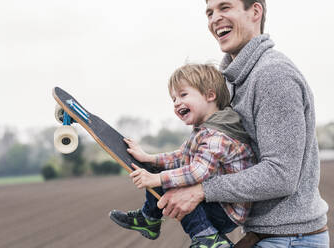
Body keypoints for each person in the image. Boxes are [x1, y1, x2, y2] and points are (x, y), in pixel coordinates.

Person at [156, 1, 330, 247]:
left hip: (290, 239)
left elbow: (281, 174)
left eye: (224, 7)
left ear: (255, 12)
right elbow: (218, 150)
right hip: (264, 235)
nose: (214, 18)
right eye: (209, 12)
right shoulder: (231, 81)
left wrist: (201, 191)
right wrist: (156, 164)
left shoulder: (273, 76)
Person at [109, 64, 255, 248]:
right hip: (217, 203)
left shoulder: (217, 135)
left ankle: (208, 238)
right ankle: (149, 220)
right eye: (174, 99)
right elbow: (180, 156)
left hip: (226, 211)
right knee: (165, 174)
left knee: (171, 184)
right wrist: (150, 159)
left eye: (183, 95)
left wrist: (157, 178)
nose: (177, 102)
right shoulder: (205, 129)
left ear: (210, 96)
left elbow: (197, 172)